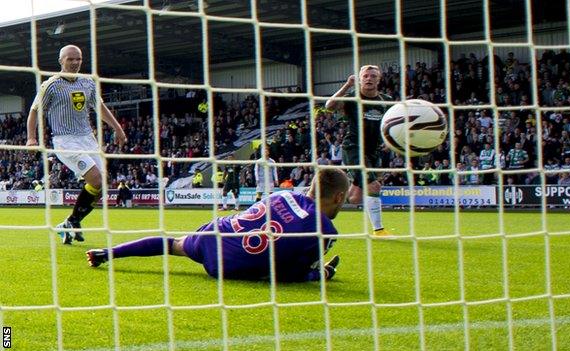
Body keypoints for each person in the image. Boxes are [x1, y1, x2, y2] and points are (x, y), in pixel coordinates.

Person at [86, 168, 350, 282]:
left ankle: (107, 253)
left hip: (213, 234)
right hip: (229, 264)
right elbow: (287, 275)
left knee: (172, 244)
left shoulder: (283, 194)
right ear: (338, 197)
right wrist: (320, 274)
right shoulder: (323, 229)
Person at [26, 44, 127, 245]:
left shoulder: (87, 83)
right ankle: (71, 223)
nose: (75, 63)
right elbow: (34, 111)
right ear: (61, 61)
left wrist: (117, 128)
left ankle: (70, 223)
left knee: (102, 185)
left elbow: (100, 107)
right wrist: (31, 138)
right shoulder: (51, 85)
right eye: (70, 59)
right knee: (96, 180)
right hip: (65, 140)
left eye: (78, 59)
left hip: (88, 138)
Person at [325, 65, 393, 236]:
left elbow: (392, 125)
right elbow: (329, 106)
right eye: (366, 76)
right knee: (374, 186)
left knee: (355, 198)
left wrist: (390, 141)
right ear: (360, 79)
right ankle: (379, 231)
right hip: (354, 148)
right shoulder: (352, 98)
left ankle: (323, 197)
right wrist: (347, 85)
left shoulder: (385, 101)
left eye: (373, 76)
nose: (369, 79)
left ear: (379, 79)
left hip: (373, 152)